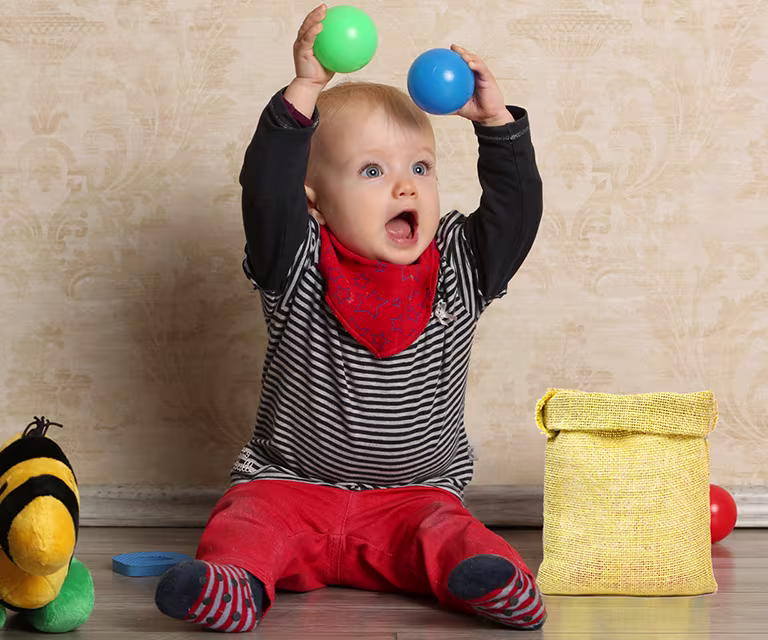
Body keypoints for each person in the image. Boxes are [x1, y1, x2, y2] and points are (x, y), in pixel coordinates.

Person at [153, 3, 544, 634]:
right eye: (372, 170)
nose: (405, 187)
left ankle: (497, 582)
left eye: (420, 167)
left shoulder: (458, 266)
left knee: (453, 535)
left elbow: (514, 216)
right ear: (315, 202)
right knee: (244, 520)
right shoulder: (297, 259)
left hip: (413, 498)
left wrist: (497, 126)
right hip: (290, 486)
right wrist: (304, 89)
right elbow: (267, 192)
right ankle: (235, 585)